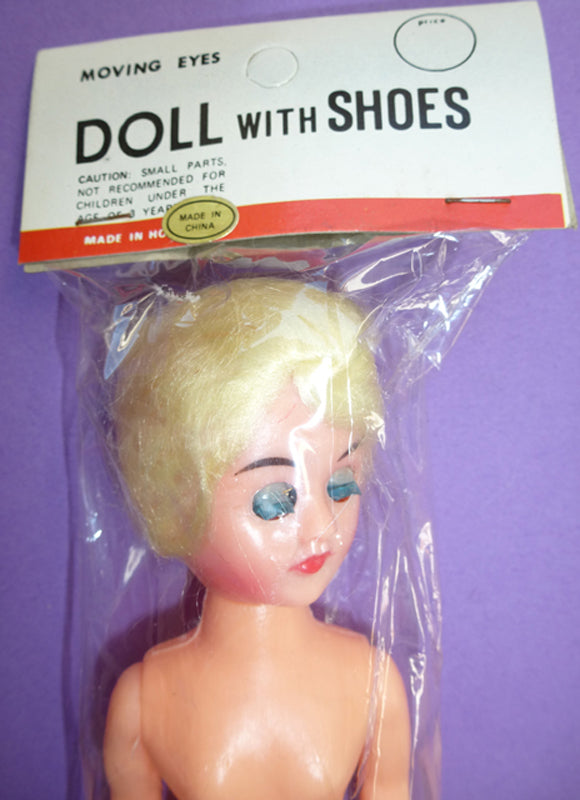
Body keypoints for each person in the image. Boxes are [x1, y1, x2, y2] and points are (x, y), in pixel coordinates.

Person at [104, 277, 411, 799]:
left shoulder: (374, 685)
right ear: (174, 497)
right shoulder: (143, 700)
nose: (320, 526)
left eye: (341, 485)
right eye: (274, 500)